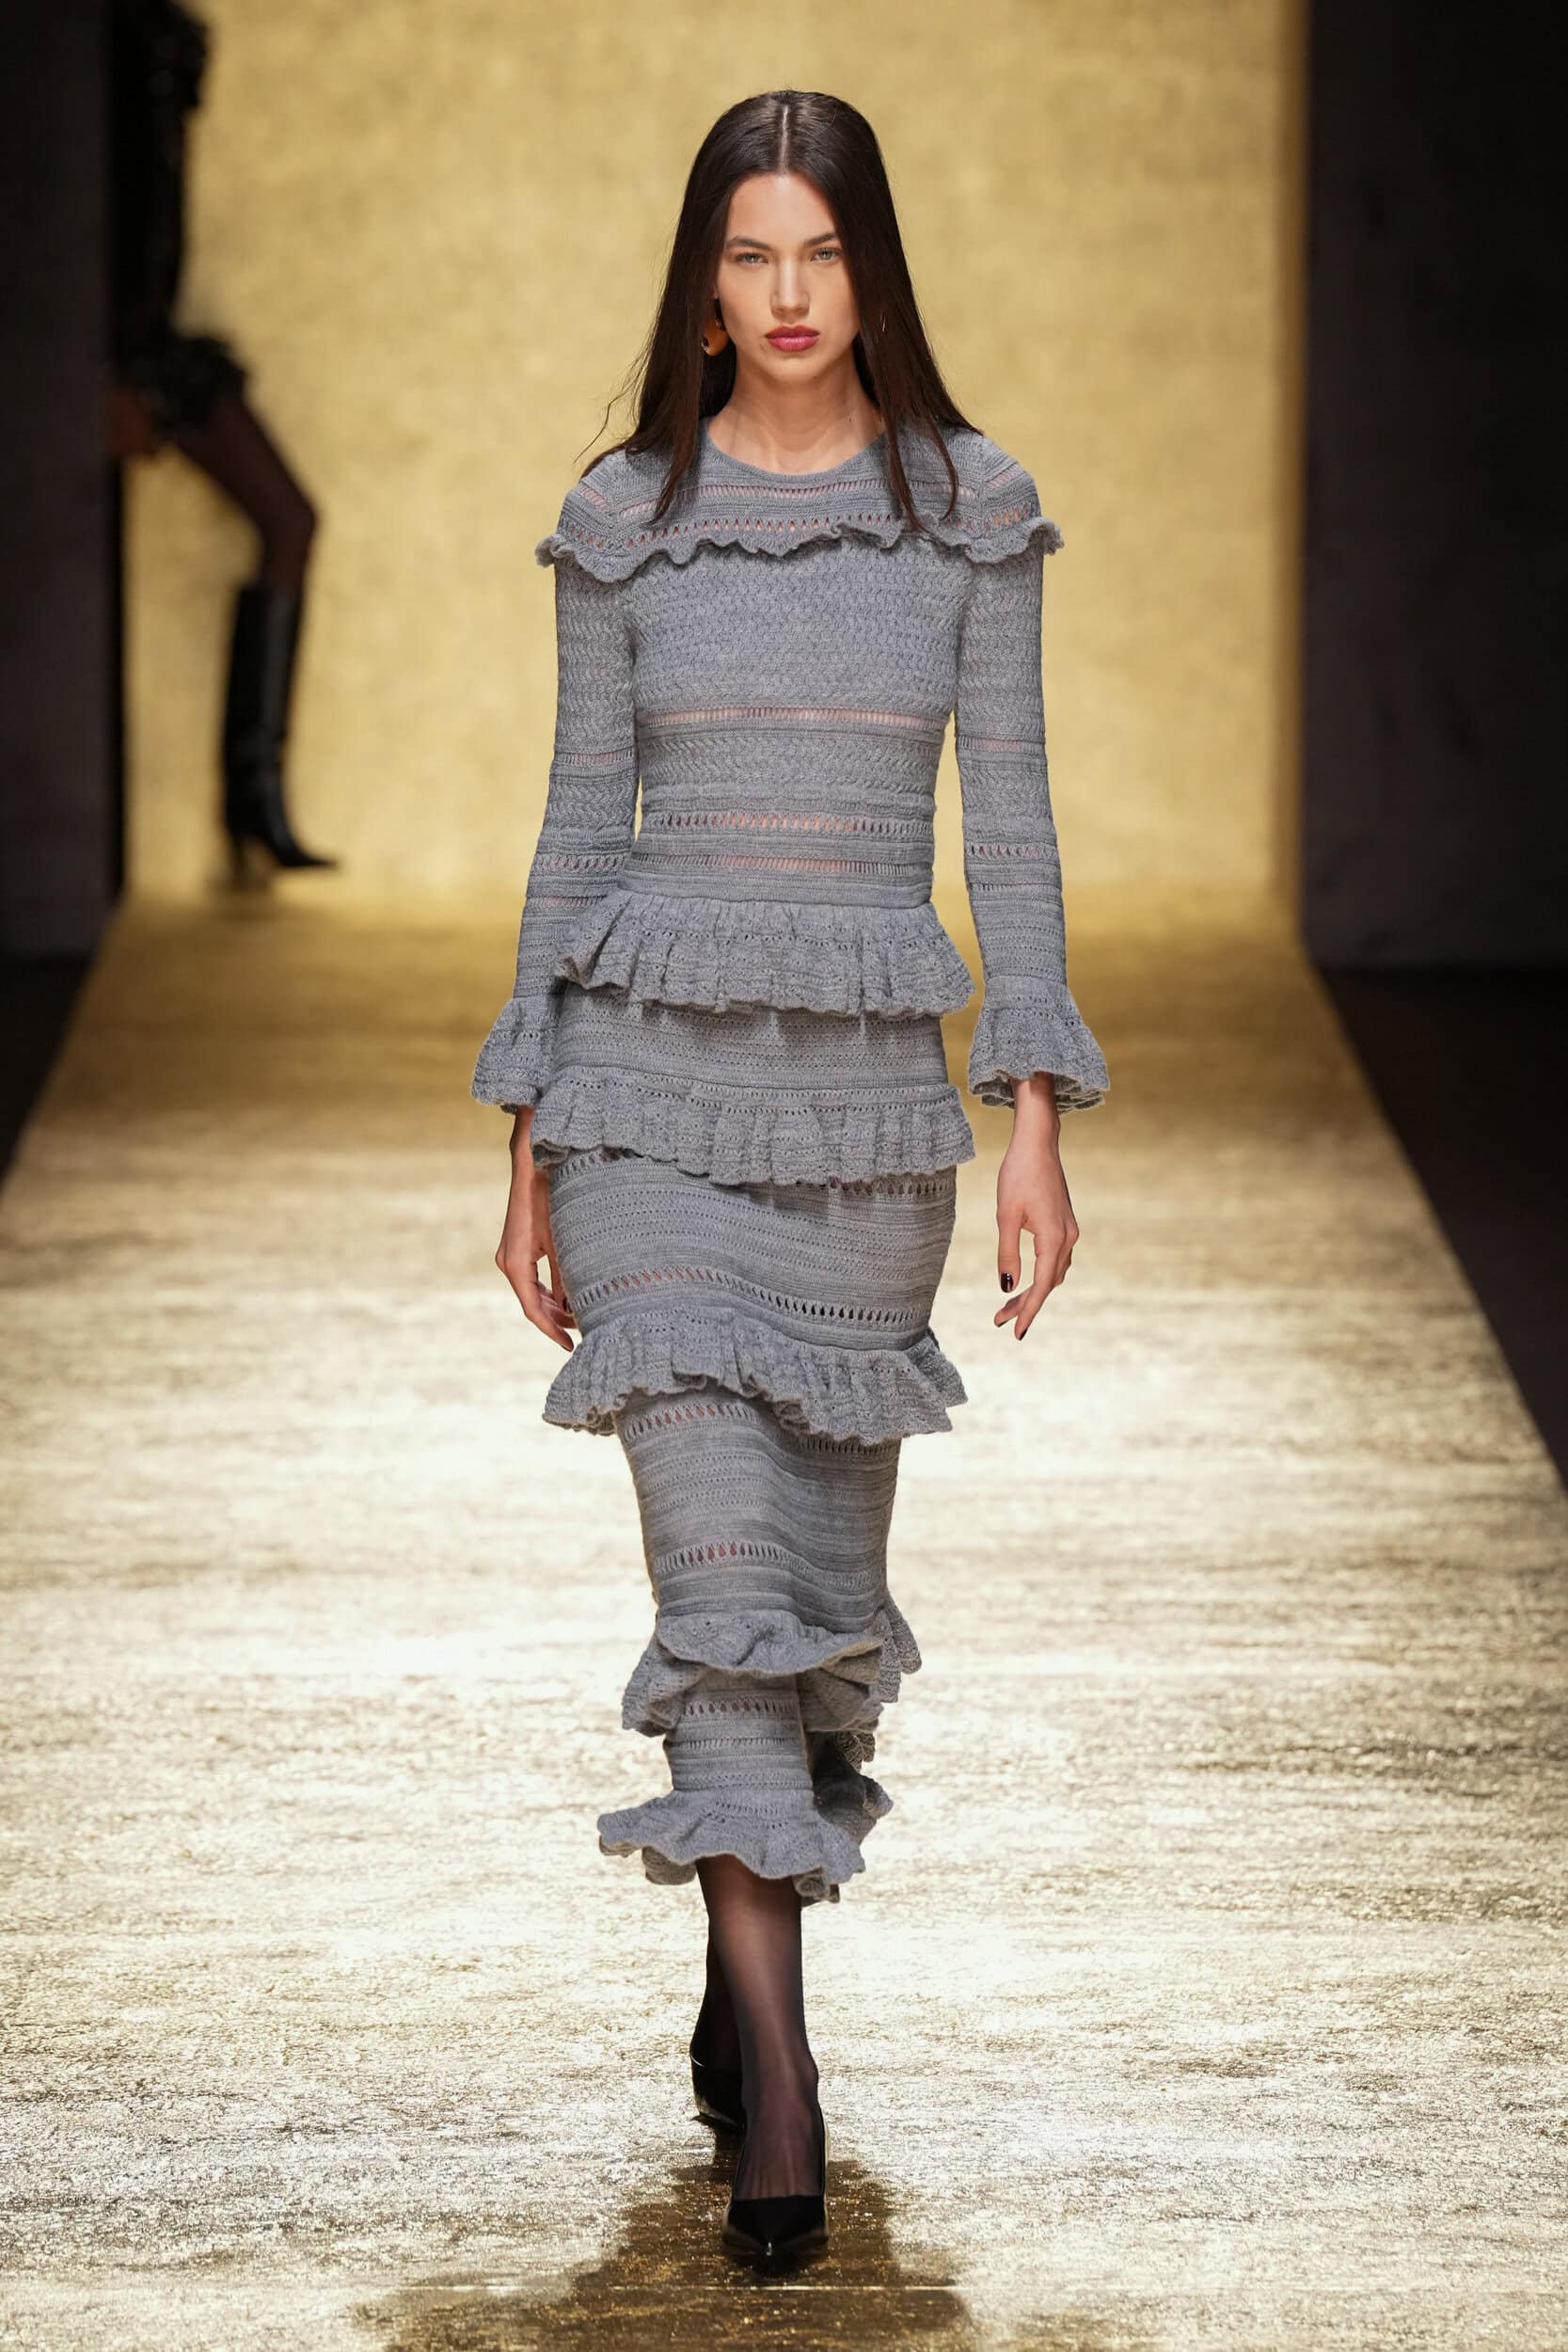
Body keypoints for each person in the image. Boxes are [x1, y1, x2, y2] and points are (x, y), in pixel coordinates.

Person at [472, 89, 1109, 2273]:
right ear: (702, 283)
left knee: (804, 1607)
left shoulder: (965, 514)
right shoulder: (622, 517)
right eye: (747, 255)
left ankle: (733, 1956)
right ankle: (785, 2071)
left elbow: (1008, 825)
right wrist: (530, 1136)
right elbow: (577, 824)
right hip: (642, 1107)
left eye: (819, 253)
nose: (785, 294)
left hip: (858, 1131)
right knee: (712, 1568)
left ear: (870, 271)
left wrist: (1032, 1115)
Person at [107, 0, 337, 877]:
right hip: (95, 356)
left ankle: (255, 799)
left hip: (137, 345)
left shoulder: (152, 39)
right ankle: (251, 803)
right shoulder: (88, 46)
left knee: (290, 521)